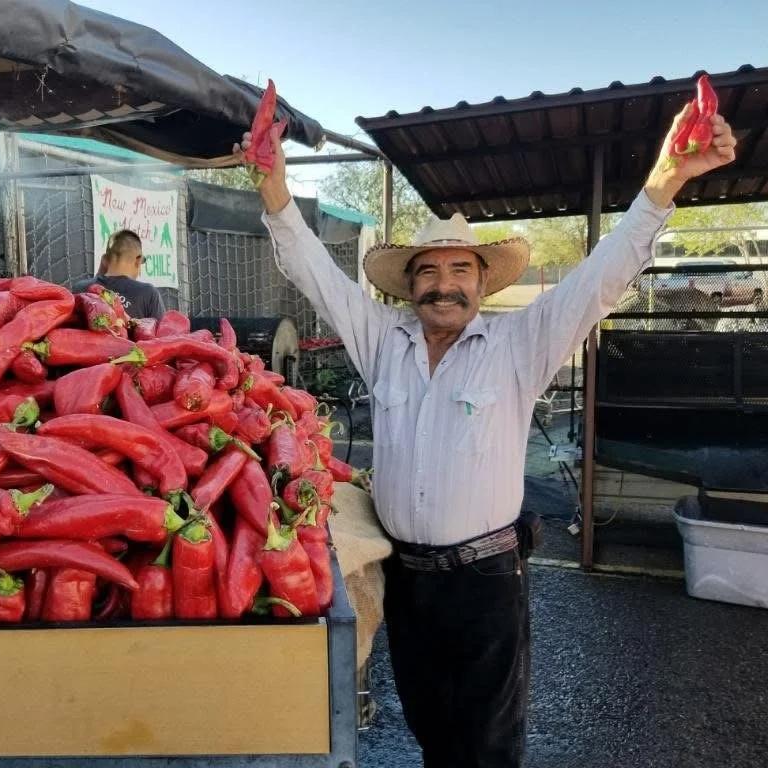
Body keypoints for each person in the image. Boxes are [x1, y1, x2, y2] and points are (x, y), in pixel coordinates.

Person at [236, 101, 737, 767]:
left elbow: (599, 280)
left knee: (488, 747)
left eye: (459, 271)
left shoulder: (519, 344)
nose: (443, 286)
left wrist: (664, 182)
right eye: (428, 272)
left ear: (480, 282)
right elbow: (315, 274)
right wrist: (274, 187)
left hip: (486, 583)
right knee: (427, 726)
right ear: (409, 285)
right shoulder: (383, 340)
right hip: (407, 581)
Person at [73, 229, 166, 320]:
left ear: (105, 260)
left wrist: (98, 276)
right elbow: (163, 333)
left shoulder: (79, 288)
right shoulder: (148, 294)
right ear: (138, 260)